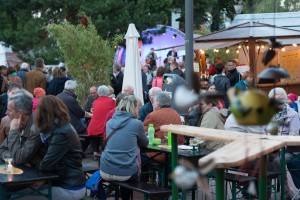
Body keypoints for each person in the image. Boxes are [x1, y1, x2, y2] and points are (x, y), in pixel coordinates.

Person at [35, 95, 86, 199]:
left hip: (70, 187)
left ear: (43, 113)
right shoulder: (55, 129)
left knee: (18, 196)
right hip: (64, 182)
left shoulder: (61, 132)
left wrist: (31, 161)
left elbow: (46, 165)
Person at [100, 95, 149, 200]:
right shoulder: (136, 123)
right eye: (138, 108)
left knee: (124, 164)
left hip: (104, 169)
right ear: (134, 108)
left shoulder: (109, 123)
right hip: (126, 173)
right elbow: (144, 143)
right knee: (135, 166)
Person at [0, 92, 45, 167]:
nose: (6, 113)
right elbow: (2, 150)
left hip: (41, 175)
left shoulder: (36, 128)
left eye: (9, 110)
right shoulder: (18, 123)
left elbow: (19, 158)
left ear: (20, 113)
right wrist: (17, 160)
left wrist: (13, 131)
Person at [143, 92, 184, 162]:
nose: (152, 104)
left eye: (153, 102)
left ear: (157, 103)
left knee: (136, 155)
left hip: (160, 153)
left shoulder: (152, 115)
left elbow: (142, 132)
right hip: (176, 153)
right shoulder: (176, 113)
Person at [86, 85, 116, 157]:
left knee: (95, 134)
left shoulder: (95, 102)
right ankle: (105, 151)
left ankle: (95, 152)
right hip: (105, 126)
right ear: (107, 92)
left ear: (98, 93)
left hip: (94, 126)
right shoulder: (112, 101)